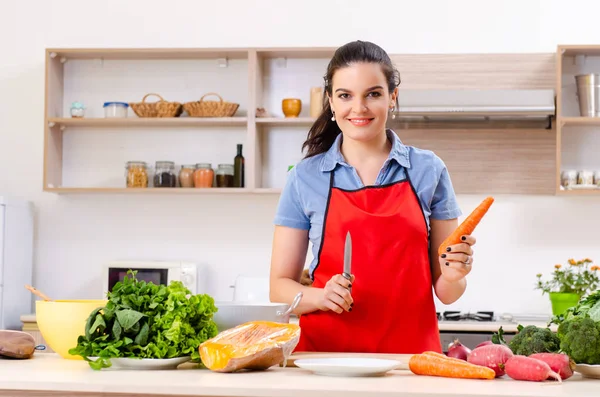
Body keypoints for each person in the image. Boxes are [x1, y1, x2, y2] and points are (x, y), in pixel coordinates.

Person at [269, 40, 477, 354]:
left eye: (373, 94)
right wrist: (321, 296)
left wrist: (454, 274)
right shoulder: (305, 177)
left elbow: (447, 293)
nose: (359, 108)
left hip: (411, 363)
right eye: (345, 95)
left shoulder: (428, 170)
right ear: (331, 101)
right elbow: (278, 286)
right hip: (325, 362)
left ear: (393, 97)